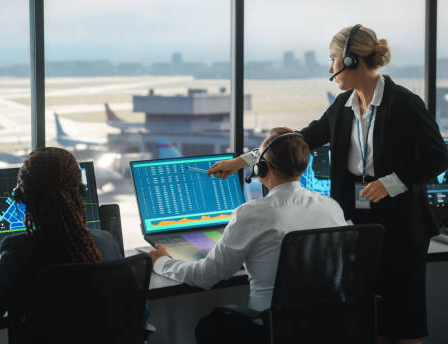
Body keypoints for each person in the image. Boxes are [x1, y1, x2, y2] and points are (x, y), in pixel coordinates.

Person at [207, 25, 448, 344]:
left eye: (333, 59)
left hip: (402, 223)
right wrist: (240, 162)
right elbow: (296, 139)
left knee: (403, 323)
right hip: (357, 220)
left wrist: (390, 183)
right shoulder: (344, 106)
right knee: (367, 318)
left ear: (351, 60)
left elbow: (438, 158)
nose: (331, 67)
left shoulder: (404, 103)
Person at [149, 127, 347, 343]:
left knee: (209, 326)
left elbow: (205, 276)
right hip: (327, 327)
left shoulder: (251, 214)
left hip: (270, 329)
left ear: (263, 168)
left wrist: (162, 262)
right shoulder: (331, 207)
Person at [0, 147, 122, 328]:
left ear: (22, 197)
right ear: (81, 191)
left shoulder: (21, 250)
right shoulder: (107, 241)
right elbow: (139, 311)